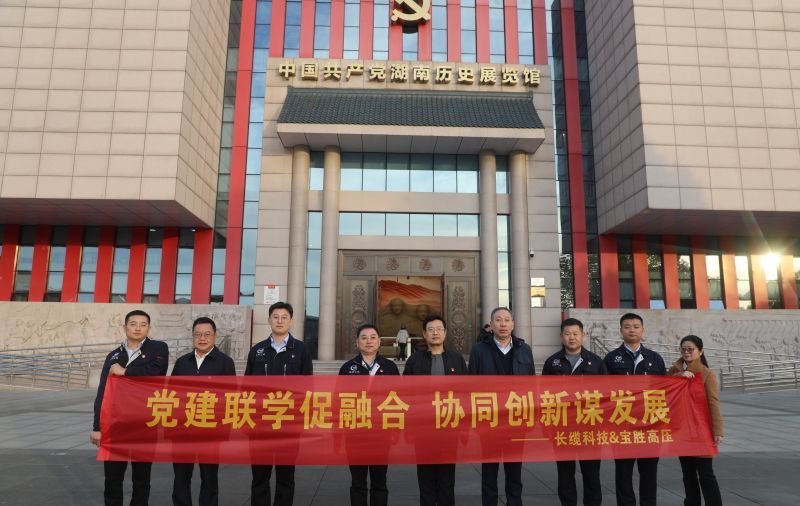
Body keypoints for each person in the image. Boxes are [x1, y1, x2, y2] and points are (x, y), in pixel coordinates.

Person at [91, 309, 169, 506]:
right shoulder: (113, 355)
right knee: (112, 478)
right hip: (115, 425)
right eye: (133, 324)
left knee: (141, 478)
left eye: (143, 325)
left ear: (149, 328)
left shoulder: (158, 348)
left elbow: (156, 372)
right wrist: (97, 427)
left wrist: (125, 371)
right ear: (125, 327)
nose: (138, 328)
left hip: (144, 423)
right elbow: (102, 392)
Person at [245, 302, 313, 506]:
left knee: (286, 477)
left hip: (289, 424)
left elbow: (307, 387)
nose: (280, 321)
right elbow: (247, 388)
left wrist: (304, 420)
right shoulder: (257, 350)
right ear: (269, 320)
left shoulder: (301, 350)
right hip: (260, 424)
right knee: (259, 477)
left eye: (284, 317)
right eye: (275, 317)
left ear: (291, 321)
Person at [468, 307, 535, 506]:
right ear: (491, 324)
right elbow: (471, 385)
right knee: (489, 472)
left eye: (507, 320)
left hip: (516, 420)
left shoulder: (524, 349)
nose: (503, 324)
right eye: (498, 320)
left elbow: (531, 385)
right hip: (489, 421)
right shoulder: (479, 350)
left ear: (513, 324)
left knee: (514, 472)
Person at [171, 317, 236, 506]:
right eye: (198, 334)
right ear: (192, 336)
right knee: (181, 477)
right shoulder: (182, 362)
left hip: (210, 431)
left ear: (215, 336)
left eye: (207, 334)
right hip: (183, 430)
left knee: (209, 477)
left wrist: (225, 429)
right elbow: (172, 394)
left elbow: (230, 397)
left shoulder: (225, 363)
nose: (202, 338)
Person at [542, 318, 607, 506]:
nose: (572, 338)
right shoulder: (552, 362)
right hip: (562, 428)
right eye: (568, 334)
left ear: (583, 335)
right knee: (565, 475)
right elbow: (544, 395)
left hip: (590, 428)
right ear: (561, 336)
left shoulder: (596, 362)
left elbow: (607, 395)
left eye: (576, 334)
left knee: (591, 474)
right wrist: (547, 426)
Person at [603, 313, 666, 506]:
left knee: (649, 472)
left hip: (649, 426)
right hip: (622, 425)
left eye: (636, 326)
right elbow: (603, 393)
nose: (632, 330)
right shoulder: (611, 359)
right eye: (627, 326)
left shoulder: (654, 358)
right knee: (623, 473)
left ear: (642, 330)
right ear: (621, 330)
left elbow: (664, 391)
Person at [404, 315, 467, 506]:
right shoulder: (414, 360)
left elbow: (465, 394)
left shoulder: (457, 359)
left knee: (447, 476)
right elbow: (405, 394)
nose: (435, 333)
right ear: (424, 334)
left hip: (449, 426)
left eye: (439, 329)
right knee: (426, 476)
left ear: (445, 333)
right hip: (423, 428)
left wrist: (464, 427)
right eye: (430, 330)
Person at [339, 323, 400, 506]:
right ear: (357, 343)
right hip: (355, 434)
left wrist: (395, 430)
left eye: (373, 337)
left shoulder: (390, 368)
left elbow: (397, 400)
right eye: (364, 338)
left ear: (379, 342)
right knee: (358, 482)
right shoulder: (348, 368)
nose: (368, 341)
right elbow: (339, 401)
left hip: (381, 434)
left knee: (379, 481)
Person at [669, 335, 723, 506]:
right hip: (682, 430)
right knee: (688, 473)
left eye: (690, 349)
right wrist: (679, 375)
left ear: (700, 351)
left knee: (706, 474)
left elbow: (713, 402)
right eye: (683, 349)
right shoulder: (674, 370)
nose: (686, 352)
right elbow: (664, 388)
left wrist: (718, 430)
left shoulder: (707, 374)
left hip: (701, 430)